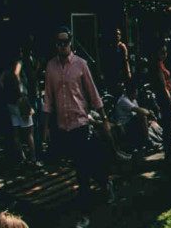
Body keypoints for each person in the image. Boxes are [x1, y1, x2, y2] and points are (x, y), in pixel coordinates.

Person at [42, 28, 114, 227]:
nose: (62, 46)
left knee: (82, 170)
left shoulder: (81, 64)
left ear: (70, 42)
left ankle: (85, 213)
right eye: (58, 42)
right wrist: (45, 128)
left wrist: (104, 118)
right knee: (82, 165)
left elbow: (93, 93)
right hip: (62, 127)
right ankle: (104, 181)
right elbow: (48, 99)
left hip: (80, 124)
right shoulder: (50, 67)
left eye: (65, 42)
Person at [0, 47, 36, 165]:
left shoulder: (6, 68)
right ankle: (33, 158)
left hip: (10, 103)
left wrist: (7, 92)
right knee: (29, 132)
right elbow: (16, 73)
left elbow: (0, 81)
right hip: (20, 101)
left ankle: (22, 157)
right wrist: (20, 93)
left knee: (16, 133)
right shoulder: (19, 62)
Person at [150, 44, 171, 158]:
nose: (164, 54)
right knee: (168, 127)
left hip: (168, 96)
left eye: (165, 52)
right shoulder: (157, 66)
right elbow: (163, 87)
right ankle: (169, 153)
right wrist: (170, 102)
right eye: (162, 52)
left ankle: (170, 151)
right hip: (164, 99)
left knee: (170, 126)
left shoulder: (161, 64)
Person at [104, 28, 131, 97]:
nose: (117, 36)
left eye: (119, 34)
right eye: (116, 34)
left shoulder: (122, 46)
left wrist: (128, 71)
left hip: (121, 70)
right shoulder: (111, 46)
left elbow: (126, 60)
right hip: (113, 70)